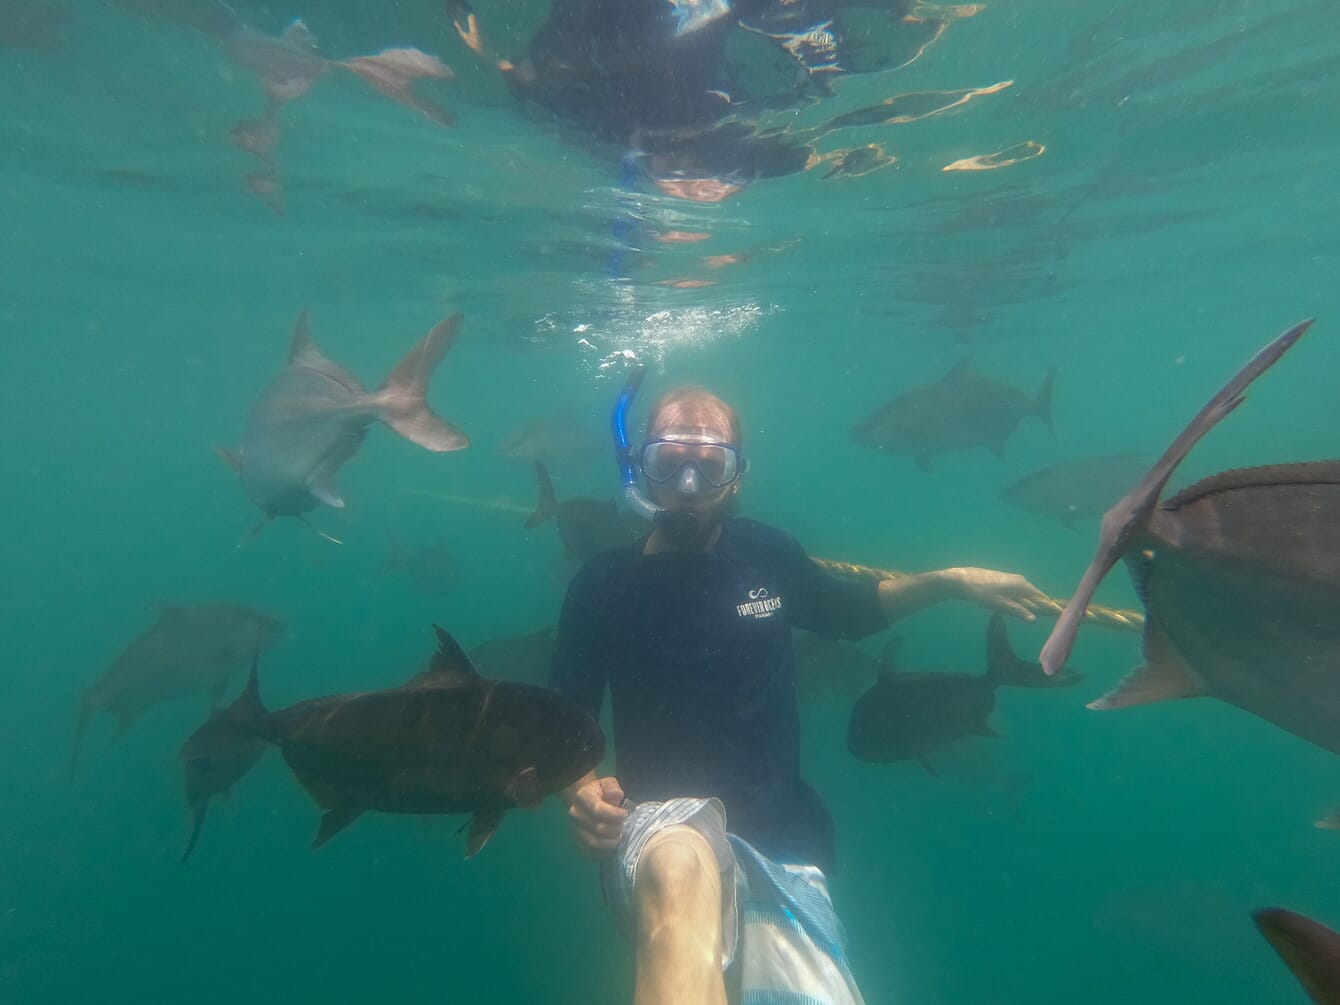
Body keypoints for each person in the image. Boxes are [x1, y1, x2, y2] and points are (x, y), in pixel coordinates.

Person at [550, 381, 1048, 1005]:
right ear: (638, 470)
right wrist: (584, 794)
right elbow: (565, 721)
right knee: (680, 869)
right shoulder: (601, 584)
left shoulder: (766, 554)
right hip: (657, 829)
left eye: (711, 466)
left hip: (782, 840)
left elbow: (847, 612)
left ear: (738, 478)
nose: (686, 486)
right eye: (667, 462)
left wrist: (949, 582)